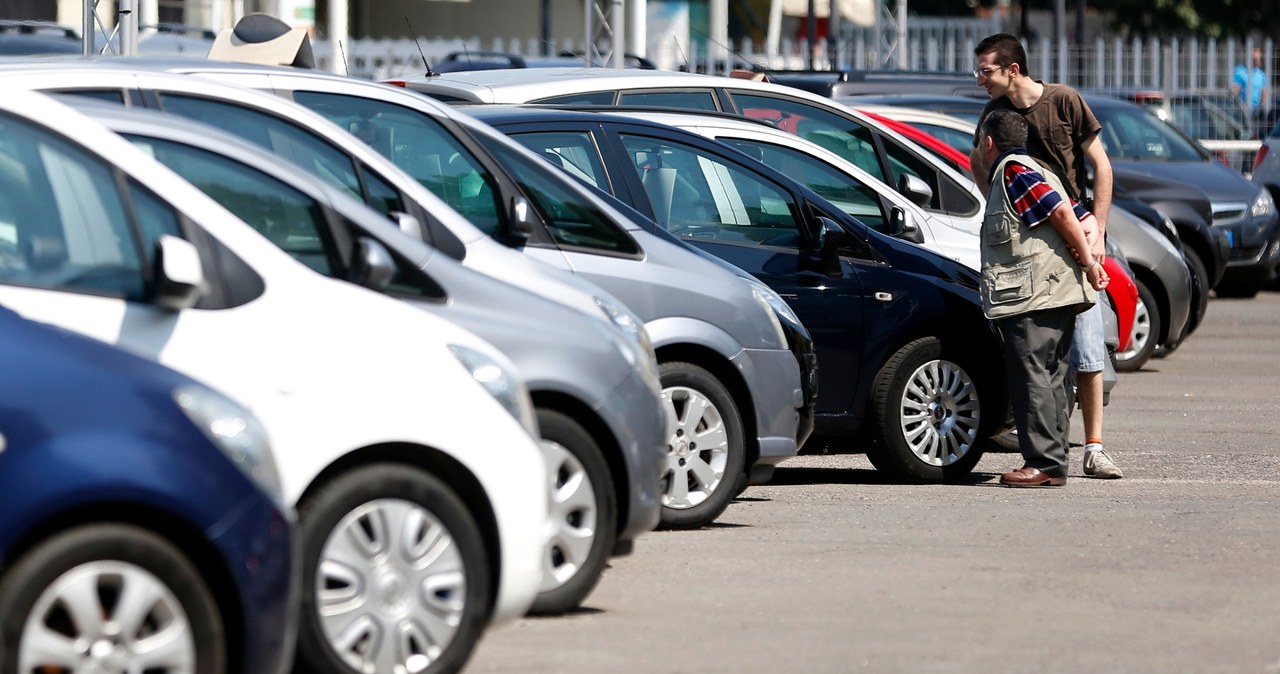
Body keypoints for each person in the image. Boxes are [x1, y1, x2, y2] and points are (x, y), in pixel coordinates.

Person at [969, 32, 1124, 480]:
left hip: (1077, 232)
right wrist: (1004, 202)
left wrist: (1096, 233)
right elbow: (978, 161)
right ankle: (1053, 454)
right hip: (1043, 241)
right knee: (1048, 358)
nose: (979, 79)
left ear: (1012, 69)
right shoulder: (994, 114)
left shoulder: (1063, 100)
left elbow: (1101, 166)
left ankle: (1092, 447)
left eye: (985, 70)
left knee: (1084, 351)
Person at [976, 109, 1109, 487]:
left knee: (1032, 375)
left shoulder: (1014, 171)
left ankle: (1044, 463)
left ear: (989, 142)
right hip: (1053, 292)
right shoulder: (1035, 168)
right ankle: (1053, 462)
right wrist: (1088, 263)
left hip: (1036, 295)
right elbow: (1081, 216)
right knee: (1050, 376)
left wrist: (1087, 262)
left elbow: (1064, 213)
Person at [1232, 47, 1268, 121]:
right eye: (1255, 59)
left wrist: (1262, 109)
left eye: (1259, 59)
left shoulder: (1261, 75)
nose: (1257, 61)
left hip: (1256, 114)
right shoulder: (1240, 71)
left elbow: (1264, 95)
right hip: (1242, 113)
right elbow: (1234, 92)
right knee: (1242, 132)